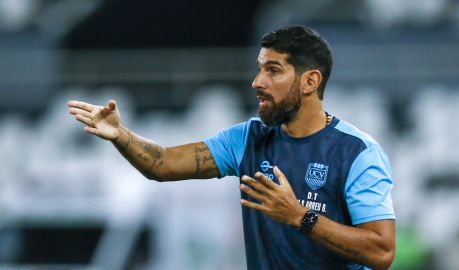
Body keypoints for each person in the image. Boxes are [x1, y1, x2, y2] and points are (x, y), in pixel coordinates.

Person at [67, 26, 395, 270]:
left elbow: (381, 252)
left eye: (273, 70)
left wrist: (299, 216)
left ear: (310, 81)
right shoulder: (248, 139)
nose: (257, 81)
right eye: (259, 68)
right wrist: (121, 135)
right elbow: (162, 164)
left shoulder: (358, 153)